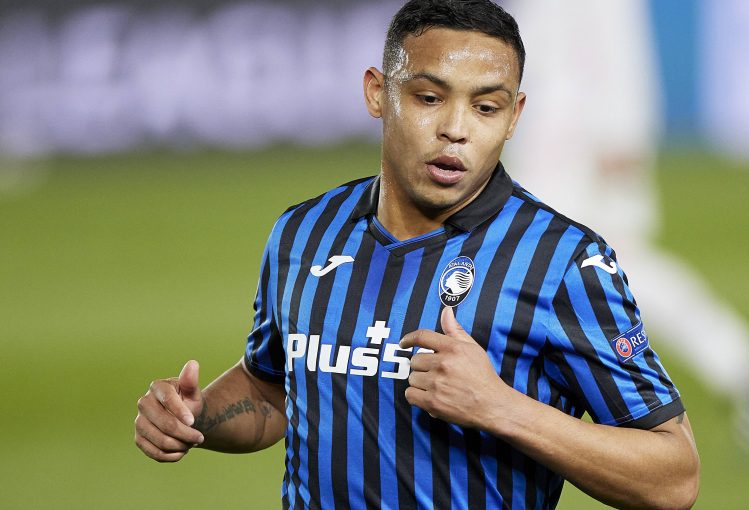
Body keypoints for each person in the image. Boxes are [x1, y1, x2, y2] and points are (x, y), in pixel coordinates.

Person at [134, 1, 700, 508]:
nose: (455, 129)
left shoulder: (561, 262)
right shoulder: (304, 233)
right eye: (429, 98)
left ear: (514, 117)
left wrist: (502, 408)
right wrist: (197, 416)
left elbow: (673, 477)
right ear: (377, 93)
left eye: (486, 108)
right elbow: (273, 389)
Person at [503, 0, 749, 453]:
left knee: (611, 269)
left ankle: (738, 366)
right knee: (569, 268)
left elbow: (617, 47)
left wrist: (622, 133)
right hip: (548, 142)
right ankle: (738, 365)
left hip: (581, 154)